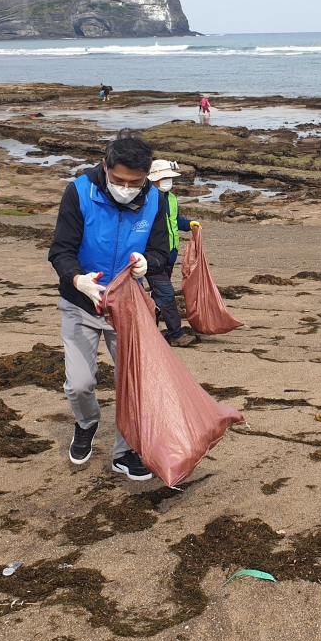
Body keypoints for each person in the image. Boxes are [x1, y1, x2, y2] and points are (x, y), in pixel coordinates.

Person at [46, 133, 171, 481]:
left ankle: (126, 450)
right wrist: (78, 280)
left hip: (127, 308)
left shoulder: (156, 202)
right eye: (118, 180)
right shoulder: (79, 192)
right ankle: (86, 422)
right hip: (81, 303)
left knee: (131, 383)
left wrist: (150, 262)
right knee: (80, 384)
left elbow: (163, 252)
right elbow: (60, 251)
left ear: (147, 176)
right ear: (105, 166)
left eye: (136, 182)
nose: (126, 188)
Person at [146, 159, 200, 347]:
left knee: (158, 295)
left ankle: (148, 331)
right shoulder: (146, 200)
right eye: (164, 177)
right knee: (166, 294)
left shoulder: (171, 198)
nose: (168, 180)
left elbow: (175, 221)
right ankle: (176, 334)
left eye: (169, 177)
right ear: (153, 179)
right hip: (152, 257)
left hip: (169, 255)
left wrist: (189, 225)